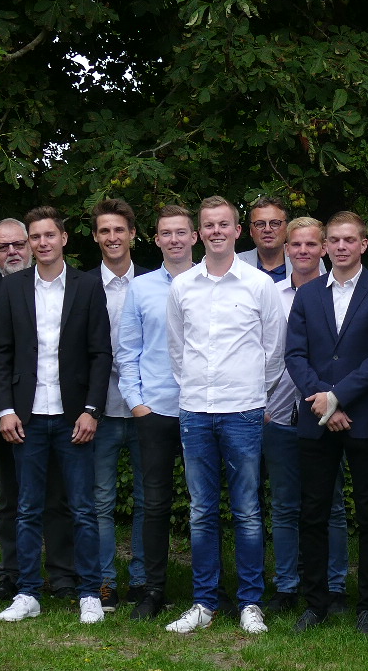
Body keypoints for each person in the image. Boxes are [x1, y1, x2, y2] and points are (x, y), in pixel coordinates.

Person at [163, 197, 288, 636]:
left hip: (244, 411)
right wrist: (195, 389)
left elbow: (274, 351)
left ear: (237, 231)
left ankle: (250, 602)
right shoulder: (182, 287)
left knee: (248, 510)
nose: (216, 231)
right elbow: (177, 350)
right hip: (195, 411)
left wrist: (253, 392)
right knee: (201, 511)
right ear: (200, 233)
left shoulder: (259, 285)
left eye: (224, 224)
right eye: (209, 225)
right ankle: (204, 602)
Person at [0, 206, 112, 625]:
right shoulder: (13, 288)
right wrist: (6, 409)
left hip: (73, 416)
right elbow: (0, 352)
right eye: (35, 237)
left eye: (49, 235)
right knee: (27, 509)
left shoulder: (87, 285)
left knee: (82, 508)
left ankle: (89, 592)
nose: (42, 242)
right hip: (26, 417)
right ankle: (27, 592)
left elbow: (100, 353)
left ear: (63, 239)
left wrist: (92, 410)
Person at [287, 211, 368, 634]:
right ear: (325, 246)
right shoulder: (308, 294)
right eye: (334, 240)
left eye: (350, 239)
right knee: (313, 512)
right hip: (316, 419)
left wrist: (337, 398)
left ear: (364, 244)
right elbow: (295, 354)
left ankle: (367, 604)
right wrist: (324, 403)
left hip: (364, 418)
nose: (341, 246)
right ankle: (315, 603)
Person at [0, 218, 76, 603]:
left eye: (19, 244)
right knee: (11, 500)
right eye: (3, 247)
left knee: (58, 497)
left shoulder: (59, 286)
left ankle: (62, 573)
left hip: (55, 410)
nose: (13, 252)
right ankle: (13, 573)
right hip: (6, 414)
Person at [114, 203, 199, 620]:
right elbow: (127, 351)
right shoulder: (142, 288)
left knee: (204, 503)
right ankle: (152, 590)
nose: (174, 239)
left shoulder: (211, 283)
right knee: (154, 504)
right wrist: (137, 404)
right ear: (156, 239)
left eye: (181, 232)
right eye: (166, 233)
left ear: (194, 237)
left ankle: (210, 589)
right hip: (156, 411)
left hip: (203, 409)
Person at [263, 216, 349, 613]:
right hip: (279, 414)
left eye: (311, 244)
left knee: (331, 505)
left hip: (328, 412)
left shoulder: (339, 292)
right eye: (295, 245)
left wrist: (329, 400)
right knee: (284, 505)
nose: (303, 251)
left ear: (324, 248)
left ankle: (335, 586)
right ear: (285, 249)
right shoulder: (269, 292)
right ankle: (287, 586)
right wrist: (262, 404)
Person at [90, 199, 141, 611]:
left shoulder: (155, 282)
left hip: (146, 408)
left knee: (148, 499)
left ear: (133, 234)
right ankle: (104, 581)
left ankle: (142, 580)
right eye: (104, 230)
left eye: (119, 229)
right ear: (95, 237)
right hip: (100, 408)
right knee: (100, 501)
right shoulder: (83, 285)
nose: (112, 237)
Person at [237, 195, 292, 282]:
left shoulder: (306, 261)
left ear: (287, 228)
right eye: (260, 224)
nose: (267, 229)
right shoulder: (236, 264)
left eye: (275, 223)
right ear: (251, 231)